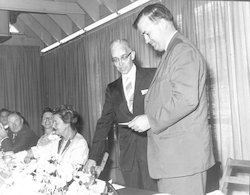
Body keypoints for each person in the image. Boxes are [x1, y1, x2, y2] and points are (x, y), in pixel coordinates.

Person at [129, 3, 215, 195]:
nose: (145, 40)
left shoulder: (182, 51)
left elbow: (186, 99)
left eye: (147, 33)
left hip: (182, 163)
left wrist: (150, 120)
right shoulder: (172, 53)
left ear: (162, 24)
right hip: (173, 162)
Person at [85, 39, 157, 191]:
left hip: (153, 154)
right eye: (115, 60)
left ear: (132, 55)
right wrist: (93, 158)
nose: (120, 63)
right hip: (128, 158)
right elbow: (103, 124)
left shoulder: (152, 76)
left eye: (124, 57)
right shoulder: (112, 89)